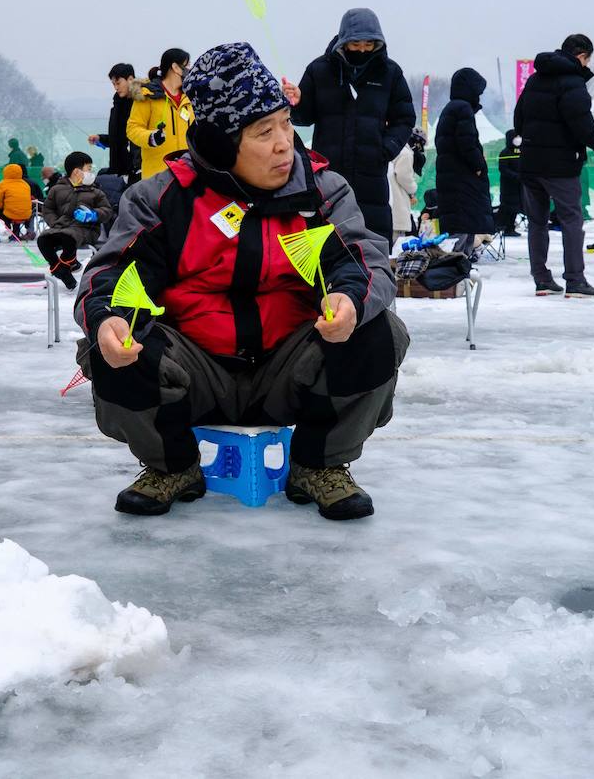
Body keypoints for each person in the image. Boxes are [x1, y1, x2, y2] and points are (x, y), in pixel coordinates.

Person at [76, 42, 407, 522]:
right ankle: (171, 465)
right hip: (195, 375)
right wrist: (109, 319)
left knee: (377, 329)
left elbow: (366, 262)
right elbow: (112, 275)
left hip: (288, 373)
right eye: (262, 131)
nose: (283, 144)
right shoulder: (163, 198)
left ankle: (320, 464)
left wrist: (349, 298)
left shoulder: (319, 192)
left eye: (286, 125)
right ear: (218, 143)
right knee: (107, 342)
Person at [284, 8, 415, 242]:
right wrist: (297, 101)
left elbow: (404, 118)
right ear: (343, 41)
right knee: (328, 240)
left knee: (372, 241)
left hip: (371, 175)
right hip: (329, 173)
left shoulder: (390, 73)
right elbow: (302, 118)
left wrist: (385, 149)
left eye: (369, 44)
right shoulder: (319, 70)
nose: (362, 49)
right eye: (356, 44)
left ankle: (374, 278)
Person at [512, 33, 594, 297]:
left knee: (537, 222)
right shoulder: (573, 83)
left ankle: (542, 279)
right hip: (560, 167)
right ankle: (575, 280)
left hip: (531, 164)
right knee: (571, 220)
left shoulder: (535, 79)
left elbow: (518, 118)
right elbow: (583, 126)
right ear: (582, 56)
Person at [433, 68, 496, 257]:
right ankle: (457, 277)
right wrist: (478, 166)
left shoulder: (451, 109)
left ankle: (459, 275)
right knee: (462, 233)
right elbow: (467, 143)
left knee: (460, 229)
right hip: (463, 182)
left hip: (453, 181)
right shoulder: (462, 109)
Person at [38, 152, 113, 290]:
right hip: (60, 227)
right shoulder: (57, 189)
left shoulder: (95, 191)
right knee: (43, 240)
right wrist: (55, 222)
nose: (91, 172)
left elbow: (107, 211)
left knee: (69, 236)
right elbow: (48, 210)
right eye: (88, 169)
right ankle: (66, 270)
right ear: (77, 171)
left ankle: (66, 264)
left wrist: (93, 215)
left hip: (86, 229)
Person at [127, 48, 192, 180]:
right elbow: (132, 129)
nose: (190, 70)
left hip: (188, 174)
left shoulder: (190, 97)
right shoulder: (148, 96)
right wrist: (151, 137)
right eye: (187, 65)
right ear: (175, 67)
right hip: (158, 176)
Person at [90, 63, 142, 212]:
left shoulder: (140, 103)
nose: (116, 87)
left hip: (136, 167)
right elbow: (119, 138)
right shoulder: (118, 105)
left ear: (130, 79)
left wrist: (137, 166)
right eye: (113, 84)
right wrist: (101, 139)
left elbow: (136, 136)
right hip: (120, 168)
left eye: (118, 83)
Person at [388, 129, 423, 242]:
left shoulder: (390, 147)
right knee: (396, 244)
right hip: (397, 206)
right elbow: (404, 177)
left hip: (387, 203)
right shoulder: (405, 153)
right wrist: (413, 190)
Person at [0, 164, 33, 241]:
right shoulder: (25, 185)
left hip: (10, 215)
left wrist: (3, 209)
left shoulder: (3, 183)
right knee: (17, 208)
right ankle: (15, 235)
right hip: (25, 216)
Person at [495, 130, 524, 236]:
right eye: (516, 136)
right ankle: (505, 227)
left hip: (519, 186)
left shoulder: (521, 152)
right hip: (508, 186)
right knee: (508, 208)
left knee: (516, 208)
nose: (518, 139)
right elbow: (503, 169)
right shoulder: (505, 152)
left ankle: (511, 227)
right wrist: (515, 176)